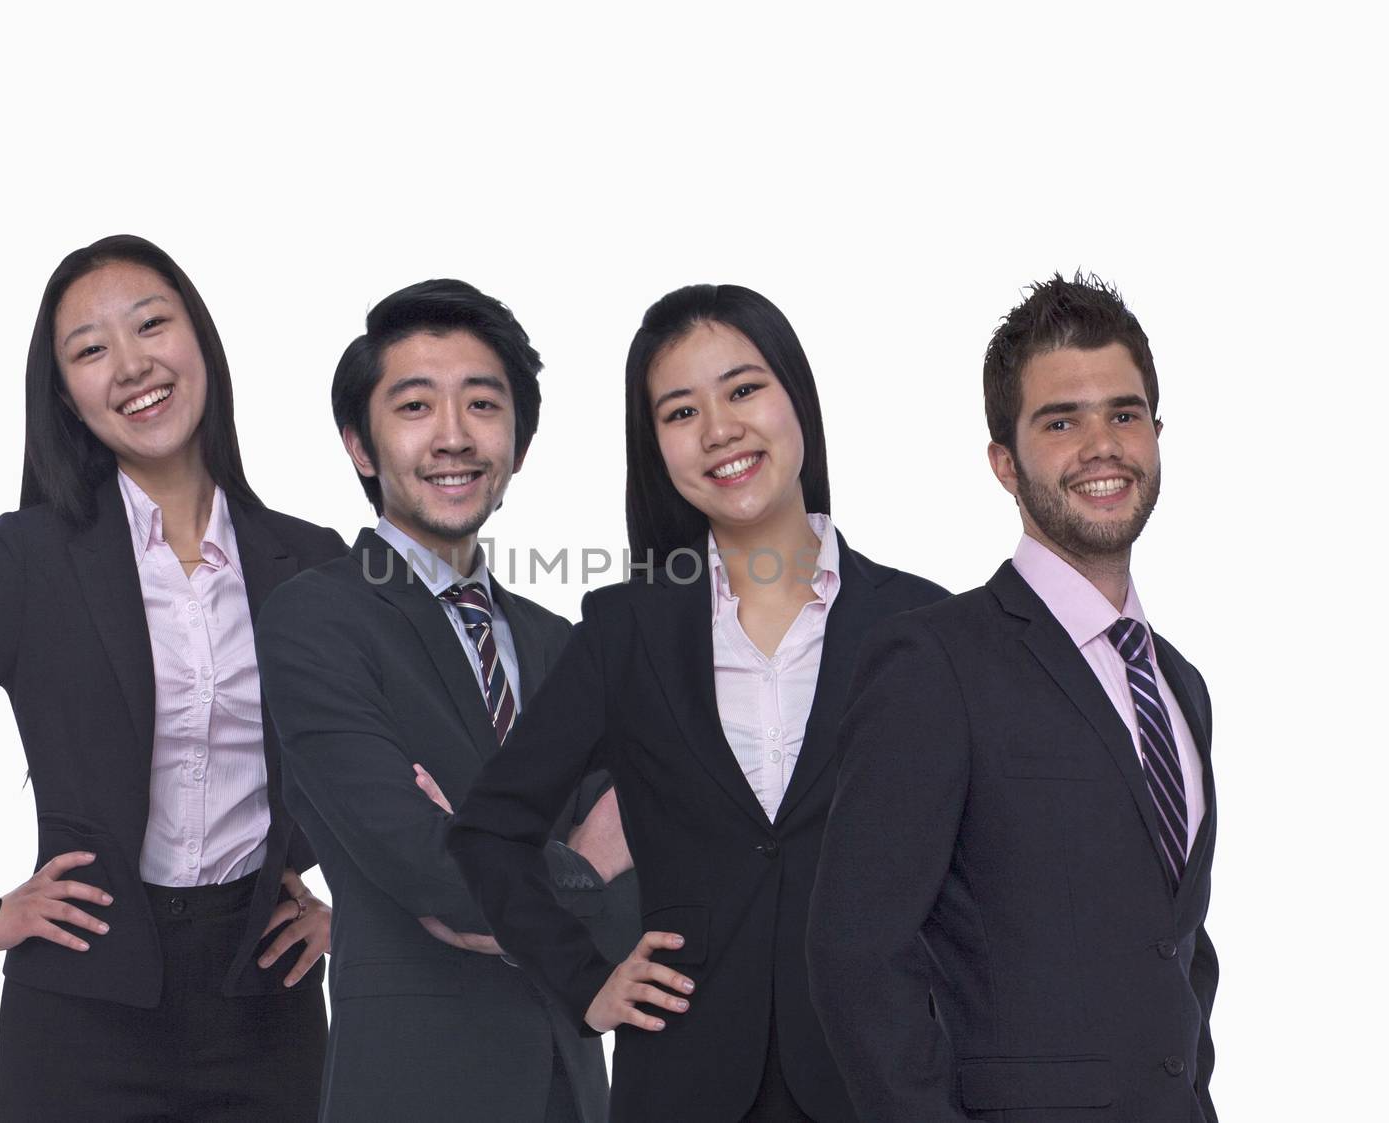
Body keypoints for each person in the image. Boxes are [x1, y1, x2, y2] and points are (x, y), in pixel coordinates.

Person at [0, 235, 343, 1122]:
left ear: (201, 342)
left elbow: (404, 759)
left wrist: (359, 916)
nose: (133, 364)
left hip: (267, 1004)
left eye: (152, 325)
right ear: (66, 395)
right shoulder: (34, 559)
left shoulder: (311, 561)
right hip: (81, 1013)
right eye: (91, 349)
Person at [447, 284, 948, 1122]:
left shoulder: (925, 624)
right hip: (684, 1080)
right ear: (658, 447)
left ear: (799, 399)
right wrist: (586, 981)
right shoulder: (624, 630)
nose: (719, 429)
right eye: (681, 412)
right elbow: (490, 827)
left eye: (744, 389)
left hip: (883, 1082)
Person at [807, 273, 1218, 1122]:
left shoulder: (1180, 685)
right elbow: (855, 955)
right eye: (1060, 421)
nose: (1101, 445)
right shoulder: (933, 662)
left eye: (1124, 413)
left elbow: (1177, 948)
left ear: (1157, 434)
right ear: (1005, 462)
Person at [255, 278, 638, 1123]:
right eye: (416, 406)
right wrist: (580, 863)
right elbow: (419, 863)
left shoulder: (566, 641)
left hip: (574, 1092)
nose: (455, 437)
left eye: (483, 405)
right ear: (360, 444)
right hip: (411, 1088)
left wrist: (489, 871)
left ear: (519, 443)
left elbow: (641, 900)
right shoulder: (316, 619)